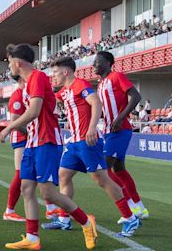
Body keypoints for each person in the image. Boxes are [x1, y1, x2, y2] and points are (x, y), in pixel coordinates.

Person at [0, 44, 97, 250]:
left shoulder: (38, 78)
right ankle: (33, 239)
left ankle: (87, 223)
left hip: (47, 141)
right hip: (34, 142)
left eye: (10, 63)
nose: (9, 67)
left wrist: (9, 128)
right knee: (26, 189)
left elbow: (34, 111)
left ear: (17, 63)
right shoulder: (28, 83)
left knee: (49, 194)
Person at [43, 57, 140, 237]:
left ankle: (130, 217)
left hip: (88, 141)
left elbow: (96, 102)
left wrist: (92, 128)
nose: (52, 76)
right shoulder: (64, 91)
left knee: (102, 180)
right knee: (63, 176)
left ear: (66, 72)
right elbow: (47, 98)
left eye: (55, 72)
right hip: (73, 143)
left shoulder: (80, 84)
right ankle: (64, 219)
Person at [94, 51, 149, 221]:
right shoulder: (101, 84)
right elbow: (106, 110)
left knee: (103, 169)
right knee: (119, 169)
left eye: (97, 61)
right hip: (109, 131)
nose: (94, 64)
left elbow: (136, 96)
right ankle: (139, 208)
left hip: (120, 130)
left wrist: (121, 117)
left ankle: (130, 208)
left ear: (108, 63)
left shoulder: (116, 76)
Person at [2, 75, 27, 222]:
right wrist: (30, 133)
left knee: (36, 173)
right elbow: (15, 122)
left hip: (28, 138)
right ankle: (9, 210)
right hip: (21, 139)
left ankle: (50, 208)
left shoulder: (26, 94)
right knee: (20, 173)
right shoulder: (17, 96)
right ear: (22, 81)